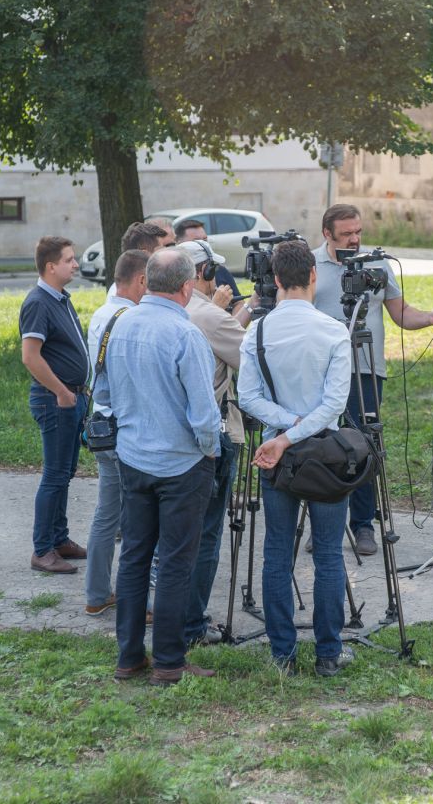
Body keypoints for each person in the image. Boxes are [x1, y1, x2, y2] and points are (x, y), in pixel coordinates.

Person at [94, 248, 221, 685]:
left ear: (147, 281)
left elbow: (104, 395)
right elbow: (204, 414)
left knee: (133, 557)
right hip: (182, 463)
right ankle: (169, 660)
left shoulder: (117, 325)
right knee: (174, 563)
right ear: (188, 287)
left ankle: (129, 656)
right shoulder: (186, 336)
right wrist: (209, 450)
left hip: (132, 457)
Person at [238, 240, 354, 676]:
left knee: (276, 553)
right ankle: (328, 653)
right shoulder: (332, 330)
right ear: (313, 276)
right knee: (327, 554)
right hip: (324, 454)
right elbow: (334, 405)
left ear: (275, 279)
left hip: (275, 455)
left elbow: (248, 397)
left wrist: (283, 432)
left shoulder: (258, 331)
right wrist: (297, 430)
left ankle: (282, 654)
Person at [311, 203, 433, 555]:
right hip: (319, 374)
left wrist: (428, 318)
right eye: (346, 234)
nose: (355, 239)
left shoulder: (377, 264)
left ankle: (363, 525)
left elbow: (400, 313)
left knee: (363, 447)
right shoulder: (311, 264)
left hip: (367, 371)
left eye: (358, 231)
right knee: (319, 448)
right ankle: (323, 524)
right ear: (327, 233)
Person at [178, 240, 251, 646]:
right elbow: (250, 359)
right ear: (203, 273)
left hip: (166, 439)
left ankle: (171, 618)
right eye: (213, 271)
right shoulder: (209, 315)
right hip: (215, 436)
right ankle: (191, 625)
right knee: (206, 533)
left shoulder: (155, 311)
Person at [82, 249, 150, 616]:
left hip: (101, 426)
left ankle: (96, 594)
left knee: (106, 514)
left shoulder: (103, 313)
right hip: (126, 430)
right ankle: (138, 600)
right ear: (140, 281)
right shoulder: (131, 319)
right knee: (139, 520)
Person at [20, 236, 91, 574]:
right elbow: (30, 357)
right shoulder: (38, 302)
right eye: (69, 259)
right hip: (55, 401)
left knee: (65, 473)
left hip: (72, 397)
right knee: (54, 475)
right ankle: (43, 549)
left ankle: (60, 538)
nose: (75, 264)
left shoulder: (60, 298)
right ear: (51, 266)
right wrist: (62, 392)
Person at [175, 218, 242, 300]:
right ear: (178, 243)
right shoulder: (173, 279)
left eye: (205, 240)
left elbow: (239, 302)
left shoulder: (219, 270)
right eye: (197, 241)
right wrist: (216, 307)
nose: (204, 244)